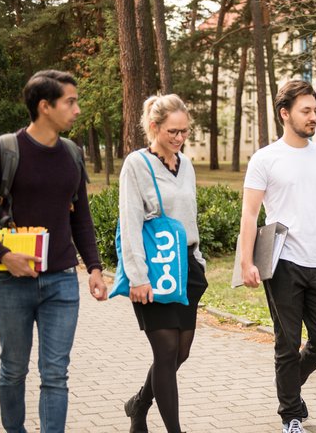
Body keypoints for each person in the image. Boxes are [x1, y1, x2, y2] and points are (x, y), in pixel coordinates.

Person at [0, 70, 108, 432]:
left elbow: (81, 217)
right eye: (70, 102)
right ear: (45, 107)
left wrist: (93, 267)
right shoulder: (1, 150)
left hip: (61, 281)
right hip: (9, 283)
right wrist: (3, 254)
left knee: (55, 374)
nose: (77, 109)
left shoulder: (72, 154)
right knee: (14, 369)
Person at [239, 80, 316, 433]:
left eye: (315, 110)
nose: (313, 117)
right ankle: (291, 415)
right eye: (306, 111)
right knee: (287, 342)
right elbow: (249, 212)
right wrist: (246, 261)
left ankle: (291, 387)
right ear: (284, 113)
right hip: (282, 262)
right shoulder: (265, 158)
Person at [119, 94, 208, 433]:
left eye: (184, 131)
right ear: (153, 127)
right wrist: (137, 276)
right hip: (154, 269)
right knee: (166, 348)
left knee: (179, 353)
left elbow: (191, 215)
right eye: (173, 131)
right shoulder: (136, 165)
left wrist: (197, 259)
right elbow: (129, 223)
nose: (179, 138)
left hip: (186, 268)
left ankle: (139, 403)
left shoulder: (186, 165)